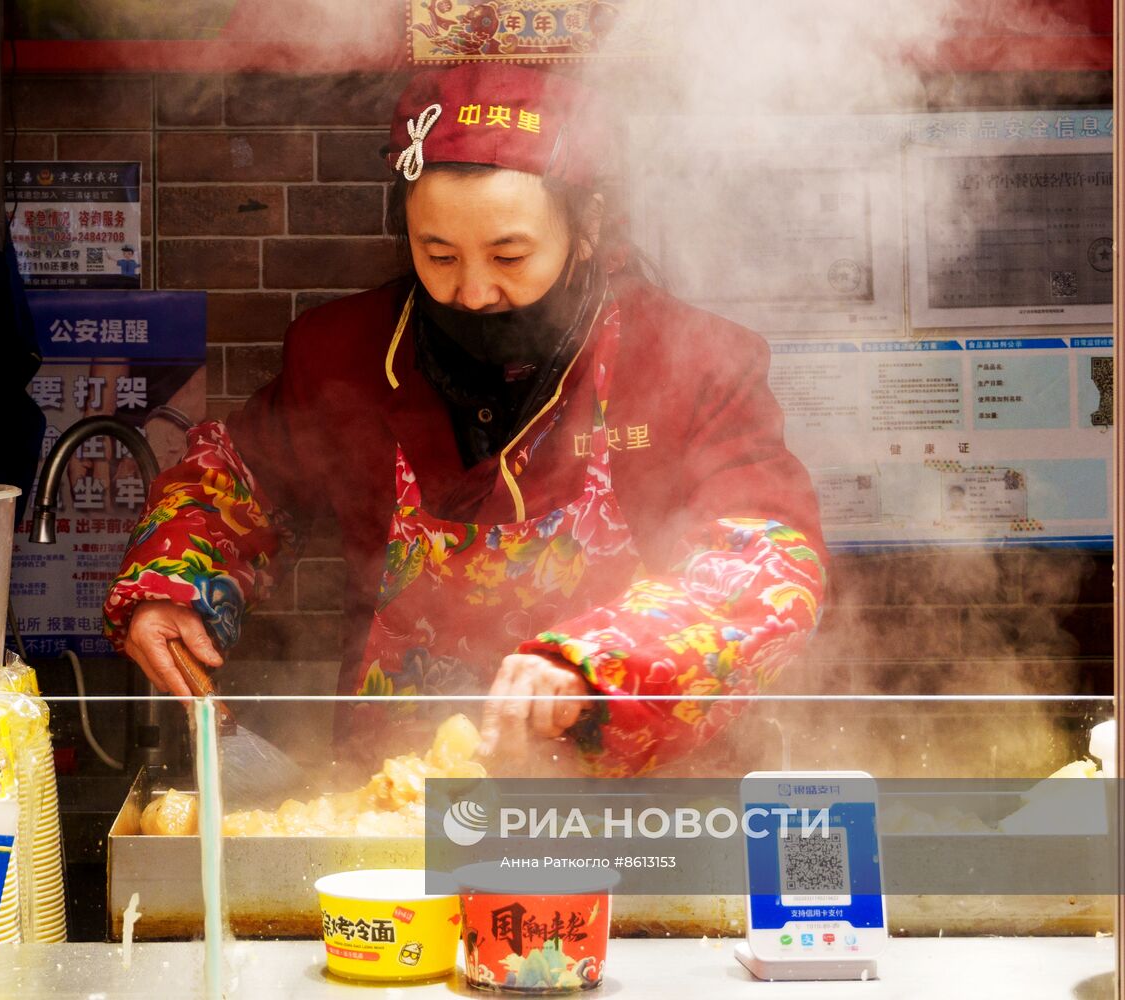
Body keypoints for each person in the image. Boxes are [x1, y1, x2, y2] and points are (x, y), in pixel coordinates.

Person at [102, 63, 827, 776]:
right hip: (391, 794)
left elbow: (765, 561)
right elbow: (235, 480)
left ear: (588, 227)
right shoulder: (342, 352)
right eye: (437, 254)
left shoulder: (692, 361)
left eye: (509, 254)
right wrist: (174, 584)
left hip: (635, 801)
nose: (473, 292)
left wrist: (597, 660)